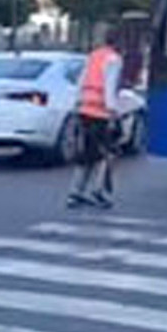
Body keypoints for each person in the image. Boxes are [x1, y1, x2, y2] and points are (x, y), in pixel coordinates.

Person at [67, 28, 123, 209]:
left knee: (86, 153)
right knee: (106, 154)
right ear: (118, 43)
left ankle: (75, 192)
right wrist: (113, 111)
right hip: (101, 112)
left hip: (85, 110)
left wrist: (77, 103)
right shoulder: (113, 59)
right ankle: (98, 190)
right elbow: (109, 85)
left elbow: (82, 81)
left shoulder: (94, 56)